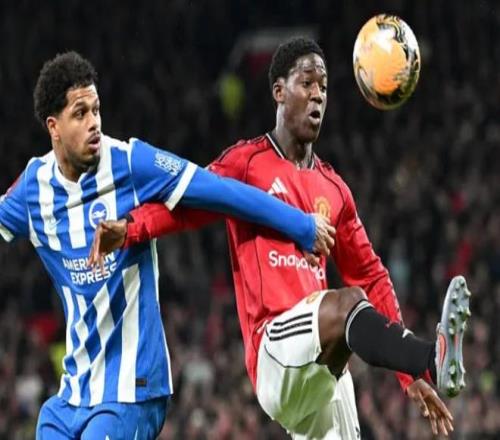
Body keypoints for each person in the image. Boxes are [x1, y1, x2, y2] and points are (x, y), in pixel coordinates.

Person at [90, 38, 471, 439]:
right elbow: (188, 204)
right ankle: (431, 357)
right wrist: (131, 227)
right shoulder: (246, 163)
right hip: (274, 348)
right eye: (307, 83)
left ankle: (420, 362)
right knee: (347, 304)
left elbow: (372, 276)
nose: (317, 95)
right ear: (279, 91)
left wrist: (408, 378)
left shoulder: (335, 189)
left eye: (324, 87)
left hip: (322, 365)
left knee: (351, 309)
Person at [0, 51, 336, 440]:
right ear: (53, 127)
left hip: (132, 391)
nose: (94, 123)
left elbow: (222, 192)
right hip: (72, 396)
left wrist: (300, 224)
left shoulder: (131, 162)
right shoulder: (34, 188)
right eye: (80, 114)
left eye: (96, 110)